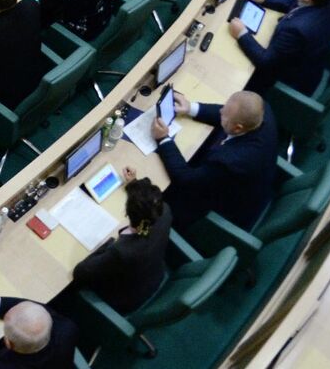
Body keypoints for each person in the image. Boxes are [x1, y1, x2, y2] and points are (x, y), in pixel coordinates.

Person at [151, 90, 279, 231]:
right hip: (253, 180)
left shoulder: (230, 162)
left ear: (238, 128)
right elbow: (230, 115)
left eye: (224, 115)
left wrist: (163, 139)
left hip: (229, 205)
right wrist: (190, 108)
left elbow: (186, 178)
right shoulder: (261, 111)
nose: (221, 111)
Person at [68, 176, 172, 315]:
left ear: (128, 212)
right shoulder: (164, 211)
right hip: (153, 275)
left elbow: (80, 272)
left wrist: (107, 244)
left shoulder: (122, 251)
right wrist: (134, 184)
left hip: (124, 298)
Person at [233, 0, 330, 95]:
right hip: (309, 65)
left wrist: (242, 34)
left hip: (288, 83)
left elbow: (265, 62)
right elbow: (294, 1)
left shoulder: (297, 30)